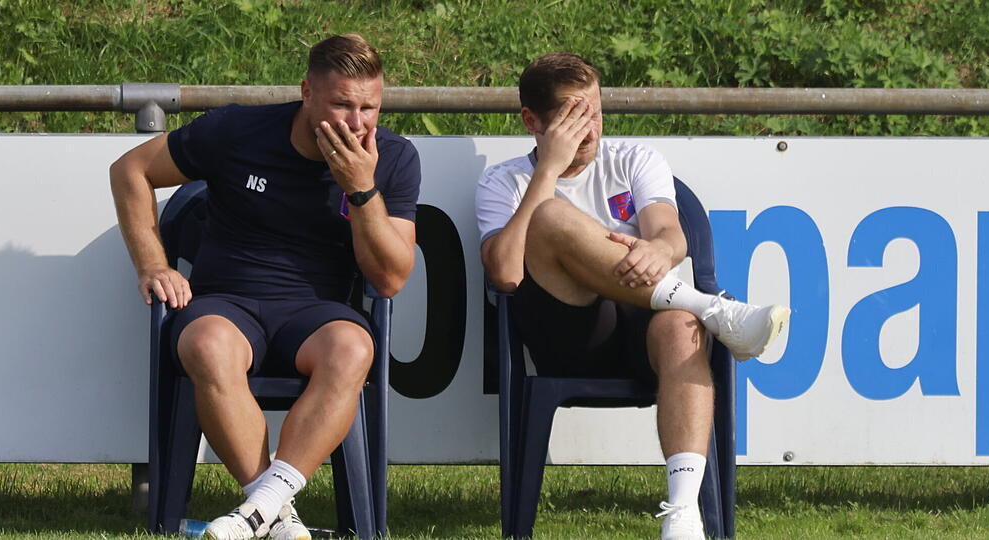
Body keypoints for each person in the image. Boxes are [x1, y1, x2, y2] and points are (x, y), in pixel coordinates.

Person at [109, 34, 419, 540]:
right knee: (207, 346)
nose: (356, 122)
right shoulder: (239, 130)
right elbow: (131, 171)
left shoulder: (393, 157)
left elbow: (388, 278)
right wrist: (151, 264)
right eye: (342, 104)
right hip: (224, 302)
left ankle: (260, 512)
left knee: (353, 347)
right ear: (307, 92)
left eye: (370, 107)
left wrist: (362, 190)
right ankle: (274, 514)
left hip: (316, 312)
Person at [476, 52, 789, 540]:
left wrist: (658, 250)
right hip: (569, 335)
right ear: (532, 122)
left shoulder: (634, 160)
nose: (590, 128)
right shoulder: (504, 180)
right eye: (573, 116)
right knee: (549, 218)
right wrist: (548, 174)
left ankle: (683, 513)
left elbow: (671, 233)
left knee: (680, 328)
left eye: (595, 112)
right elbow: (504, 274)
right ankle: (712, 308)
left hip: (644, 332)